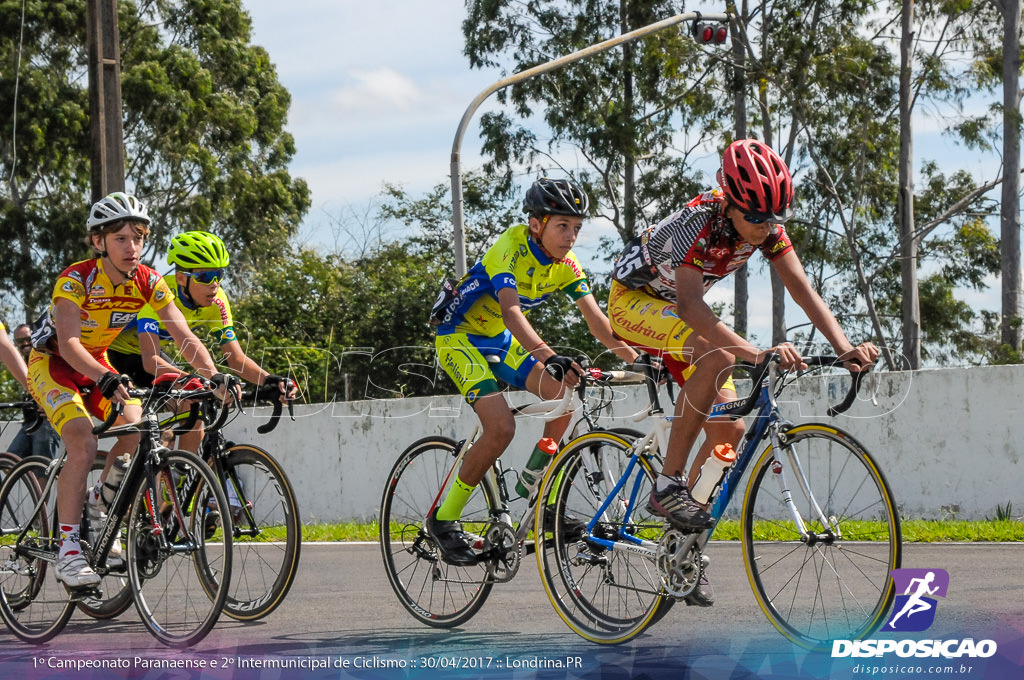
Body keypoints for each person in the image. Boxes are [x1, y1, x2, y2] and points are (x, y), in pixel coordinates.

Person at [608, 139, 879, 605]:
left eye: (774, 218)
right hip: (635, 303)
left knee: (728, 433)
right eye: (755, 218)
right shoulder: (701, 222)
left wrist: (845, 347)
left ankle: (679, 548)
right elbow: (690, 305)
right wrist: (757, 353)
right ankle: (668, 484)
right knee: (721, 357)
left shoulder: (766, 228)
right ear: (730, 202)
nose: (765, 228)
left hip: (677, 312)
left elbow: (800, 286)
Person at [429, 177, 640, 565]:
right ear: (536, 223)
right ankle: (443, 519)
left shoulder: (567, 265)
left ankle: (538, 494)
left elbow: (598, 323)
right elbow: (511, 311)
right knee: (501, 428)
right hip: (459, 337)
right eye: (563, 226)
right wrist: (550, 356)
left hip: (498, 341)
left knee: (564, 398)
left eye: (577, 228)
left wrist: (637, 358)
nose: (571, 236)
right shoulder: (510, 246)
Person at [26, 191, 230, 588]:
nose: (132, 247)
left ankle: (101, 501)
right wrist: (104, 377)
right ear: (99, 242)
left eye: (138, 237)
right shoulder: (76, 278)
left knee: (136, 427)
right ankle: (68, 551)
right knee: (81, 443)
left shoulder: (148, 281)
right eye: (121, 239)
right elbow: (68, 343)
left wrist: (212, 375)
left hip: (97, 362)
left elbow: (183, 335)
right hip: (54, 365)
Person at [108, 230, 298, 454]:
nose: (214, 284)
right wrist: (196, 380)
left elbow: (235, 358)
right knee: (145, 429)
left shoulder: (217, 302)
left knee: (194, 412)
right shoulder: (159, 293)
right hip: (115, 355)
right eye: (205, 276)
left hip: (145, 357)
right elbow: (151, 362)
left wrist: (269, 380)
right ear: (181, 278)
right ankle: (107, 487)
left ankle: (179, 479)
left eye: (219, 274)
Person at [6, 324, 60, 459]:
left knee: (41, 469)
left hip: (46, 421)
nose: (25, 343)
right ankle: (28, 479)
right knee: (10, 459)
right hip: (29, 422)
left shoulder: (45, 355)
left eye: (28, 338)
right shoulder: (21, 362)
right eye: (19, 341)